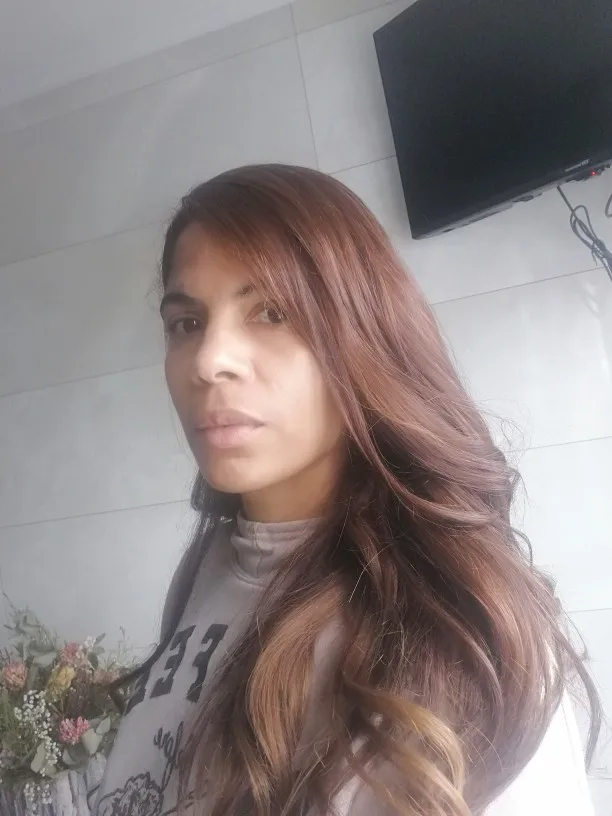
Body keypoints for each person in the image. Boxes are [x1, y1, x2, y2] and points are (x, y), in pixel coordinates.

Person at [95, 164, 600, 816]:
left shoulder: (463, 631)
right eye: (186, 323)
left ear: (362, 334)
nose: (209, 361)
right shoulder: (210, 563)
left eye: (271, 312)